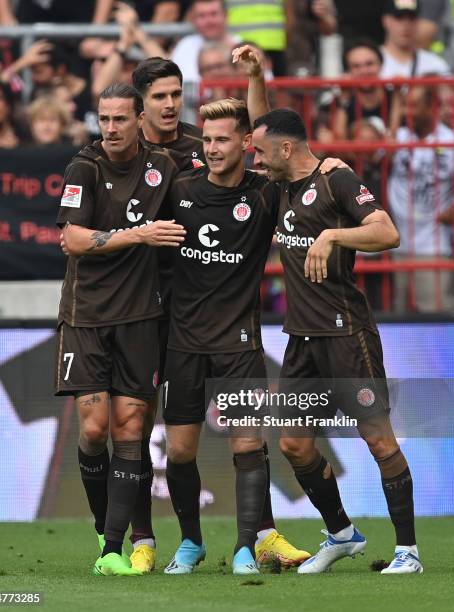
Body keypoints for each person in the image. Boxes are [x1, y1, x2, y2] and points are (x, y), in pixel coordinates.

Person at [251, 107, 423, 574]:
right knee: (293, 444)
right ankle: (343, 534)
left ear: (286, 149)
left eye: (262, 153)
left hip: (346, 335)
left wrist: (333, 235)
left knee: (380, 442)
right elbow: (264, 124)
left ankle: (408, 551)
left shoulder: (337, 180)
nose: (256, 162)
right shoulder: (282, 182)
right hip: (302, 340)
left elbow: (387, 231)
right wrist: (252, 76)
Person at [162, 98, 313, 575]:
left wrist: (253, 80)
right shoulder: (179, 188)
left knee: (248, 445)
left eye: (222, 139)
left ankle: (247, 547)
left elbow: (279, 136)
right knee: (181, 451)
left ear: (246, 144)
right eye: (206, 139)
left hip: (240, 343)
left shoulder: (263, 194)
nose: (211, 148)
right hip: (183, 342)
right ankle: (191, 543)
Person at [55, 82, 188, 577]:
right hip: (86, 316)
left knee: (131, 429)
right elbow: (72, 238)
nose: (110, 128)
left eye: (119, 119)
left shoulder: (163, 167)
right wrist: (140, 234)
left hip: (141, 318)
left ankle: (114, 548)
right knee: (93, 429)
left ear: (139, 120)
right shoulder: (83, 167)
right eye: (103, 119)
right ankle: (101, 524)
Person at [389, 83, 454, 312]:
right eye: (406, 106)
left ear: (431, 107)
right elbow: (373, 157)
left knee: (436, 314)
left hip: (433, 246)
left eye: (414, 106)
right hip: (395, 244)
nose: (409, 112)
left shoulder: (450, 142)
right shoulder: (398, 136)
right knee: (397, 316)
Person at [171, 0, 240, 84]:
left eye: (213, 14)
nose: (209, 21)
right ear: (193, 19)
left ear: (226, 15)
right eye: (202, 16)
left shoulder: (241, 47)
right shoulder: (184, 47)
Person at [380, 0, 450, 77]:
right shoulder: (369, 62)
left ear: (418, 22)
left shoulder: (436, 65)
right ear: (385, 20)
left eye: (412, 18)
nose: (406, 25)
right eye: (399, 18)